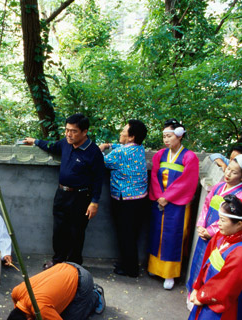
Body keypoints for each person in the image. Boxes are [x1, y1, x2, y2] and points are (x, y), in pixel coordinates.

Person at [176, 194, 242, 320]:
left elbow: (228, 285)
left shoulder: (240, 253)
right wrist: (197, 287)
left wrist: (202, 296)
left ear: (239, 224)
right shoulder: (220, 238)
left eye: (223, 220)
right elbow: (205, 263)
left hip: (220, 308)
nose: (218, 224)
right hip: (205, 298)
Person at [23, 114, 105, 268]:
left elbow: (98, 179)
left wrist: (94, 202)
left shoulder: (93, 152)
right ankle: (58, 261)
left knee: (76, 232)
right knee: (59, 229)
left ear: (84, 132)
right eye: (67, 130)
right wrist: (35, 141)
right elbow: (51, 146)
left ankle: (73, 265)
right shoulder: (65, 144)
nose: (68, 134)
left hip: (81, 196)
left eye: (73, 131)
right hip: (61, 194)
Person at [148, 119, 199, 290]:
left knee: (173, 235)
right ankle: (154, 268)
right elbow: (154, 176)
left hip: (177, 203)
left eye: (169, 136)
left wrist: (168, 197)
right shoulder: (160, 155)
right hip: (160, 200)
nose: (166, 140)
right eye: (164, 136)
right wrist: (159, 196)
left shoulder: (189, 157)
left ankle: (169, 273)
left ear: (179, 136)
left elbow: (187, 182)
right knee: (157, 233)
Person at [6, 262, 105, 320]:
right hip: (64, 266)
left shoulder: (40, 307)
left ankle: (95, 295)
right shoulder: (15, 292)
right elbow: (17, 309)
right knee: (50, 317)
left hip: (82, 280)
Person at [99, 120, 148, 278]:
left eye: (124, 131)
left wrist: (101, 149)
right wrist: (108, 145)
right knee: (131, 235)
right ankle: (126, 263)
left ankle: (130, 269)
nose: (121, 132)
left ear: (131, 137)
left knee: (125, 235)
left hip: (125, 200)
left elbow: (101, 161)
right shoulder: (139, 148)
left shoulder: (121, 153)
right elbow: (120, 146)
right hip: (140, 199)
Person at [187, 155, 242, 297]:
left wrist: (210, 231)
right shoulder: (218, 187)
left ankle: (202, 295)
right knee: (198, 261)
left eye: (234, 172)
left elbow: (228, 220)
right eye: (228, 169)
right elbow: (206, 205)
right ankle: (192, 291)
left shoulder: (239, 196)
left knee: (210, 266)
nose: (228, 174)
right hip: (204, 231)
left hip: (219, 235)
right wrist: (201, 225)